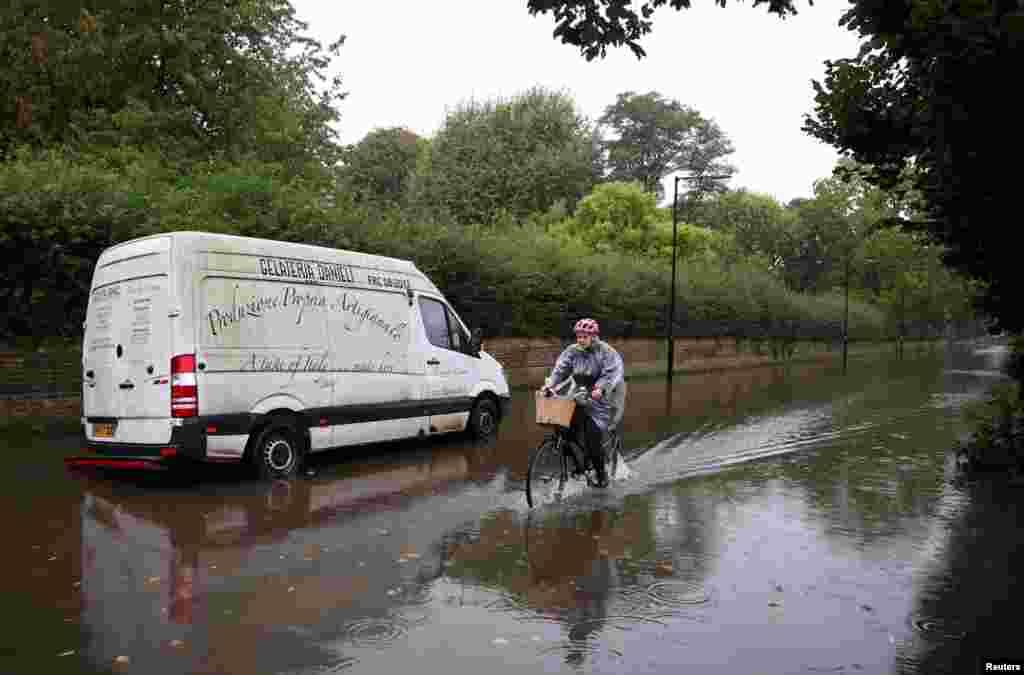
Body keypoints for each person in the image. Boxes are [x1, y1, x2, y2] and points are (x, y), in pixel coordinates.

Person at [541, 318, 625, 488]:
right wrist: (549, 386)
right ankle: (582, 466)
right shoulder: (572, 351)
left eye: (584, 337)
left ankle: (602, 476)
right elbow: (560, 370)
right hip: (581, 391)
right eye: (578, 336)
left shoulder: (606, 352)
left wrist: (600, 389)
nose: (580, 340)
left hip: (605, 395)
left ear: (594, 337)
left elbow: (612, 373)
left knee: (593, 437)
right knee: (564, 428)